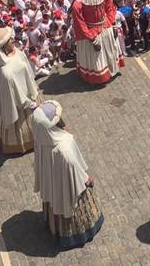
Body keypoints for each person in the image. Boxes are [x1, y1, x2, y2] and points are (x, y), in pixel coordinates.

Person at [31, 100, 104, 248]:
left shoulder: (40, 141)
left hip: (53, 188)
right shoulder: (65, 145)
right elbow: (75, 170)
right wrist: (87, 179)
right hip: (72, 189)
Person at [71, 0, 124, 84]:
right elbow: (80, 24)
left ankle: (112, 70)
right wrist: (92, 39)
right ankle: (99, 77)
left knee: (110, 52)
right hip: (91, 34)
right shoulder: (78, 3)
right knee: (97, 58)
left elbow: (110, 8)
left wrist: (114, 25)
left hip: (106, 27)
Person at [0, 25, 40, 154]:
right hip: (21, 104)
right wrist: (31, 103)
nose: (13, 40)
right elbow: (14, 95)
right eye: (10, 40)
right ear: (4, 46)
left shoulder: (17, 52)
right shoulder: (5, 71)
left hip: (30, 93)